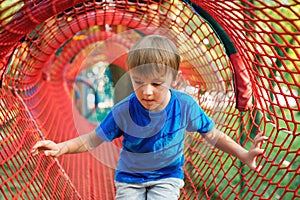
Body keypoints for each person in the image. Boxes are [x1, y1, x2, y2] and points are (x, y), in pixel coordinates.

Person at [31, 35, 267, 200]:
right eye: (138, 82)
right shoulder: (124, 111)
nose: (147, 91)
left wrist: (244, 154)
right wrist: (61, 147)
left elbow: (213, 135)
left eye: (156, 83)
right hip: (129, 178)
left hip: (167, 177)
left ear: (173, 80)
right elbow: (92, 139)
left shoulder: (184, 105)